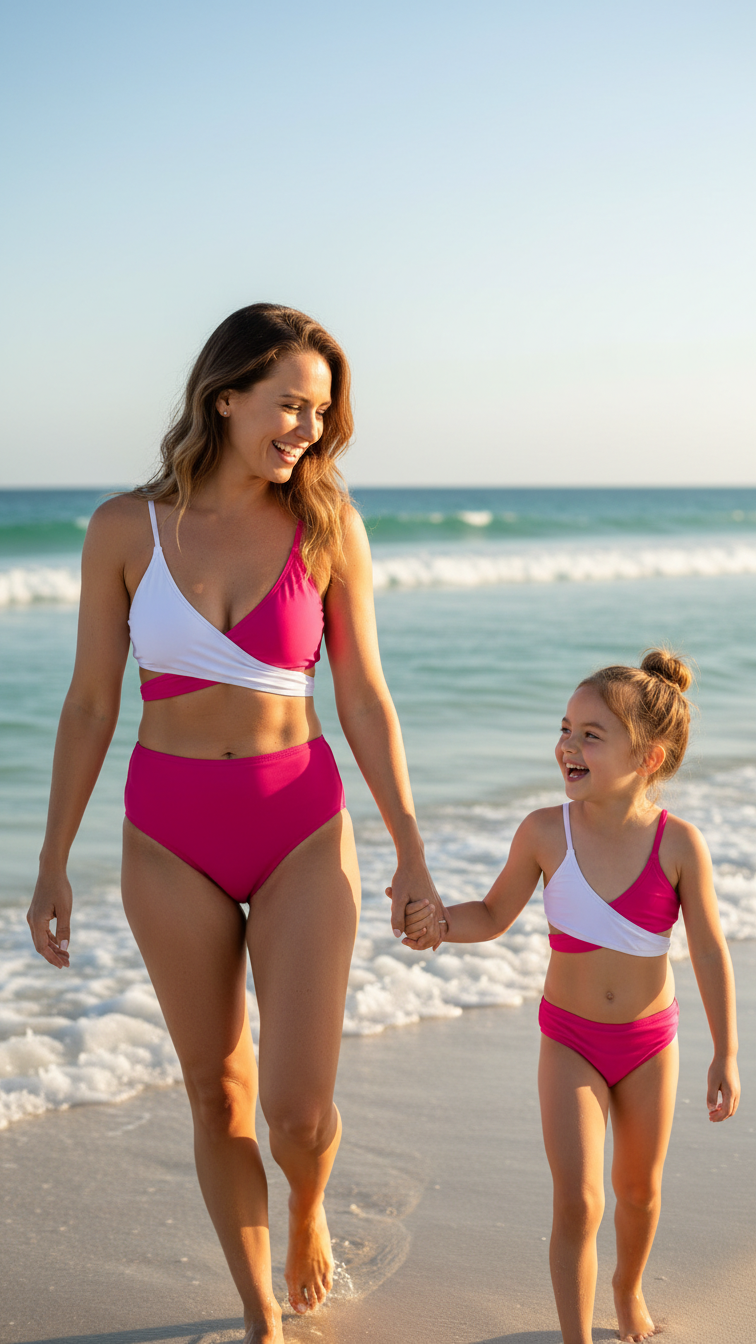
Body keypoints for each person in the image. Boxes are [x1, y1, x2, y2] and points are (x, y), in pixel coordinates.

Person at [26, 303, 444, 1344]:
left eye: (321, 412)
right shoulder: (126, 527)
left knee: (297, 1112)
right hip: (168, 836)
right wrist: (51, 863)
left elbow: (364, 701)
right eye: (291, 404)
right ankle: (262, 1315)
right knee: (217, 1094)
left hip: (301, 825)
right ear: (226, 396)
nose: (307, 427)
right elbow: (89, 706)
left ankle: (306, 1212)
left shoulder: (325, 525)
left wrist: (410, 850)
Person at [401, 650, 739, 1344]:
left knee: (639, 1195)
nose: (568, 745)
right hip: (571, 1042)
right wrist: (438, 924)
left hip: (649, 1046)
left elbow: (707, 949)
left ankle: (627, 1289)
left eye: (591, 733)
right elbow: (492, 915)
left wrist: (726, 1051)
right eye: (565, 728)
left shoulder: (679, 845)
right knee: (579, 1202)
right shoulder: (544, 832)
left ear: (647, 756)